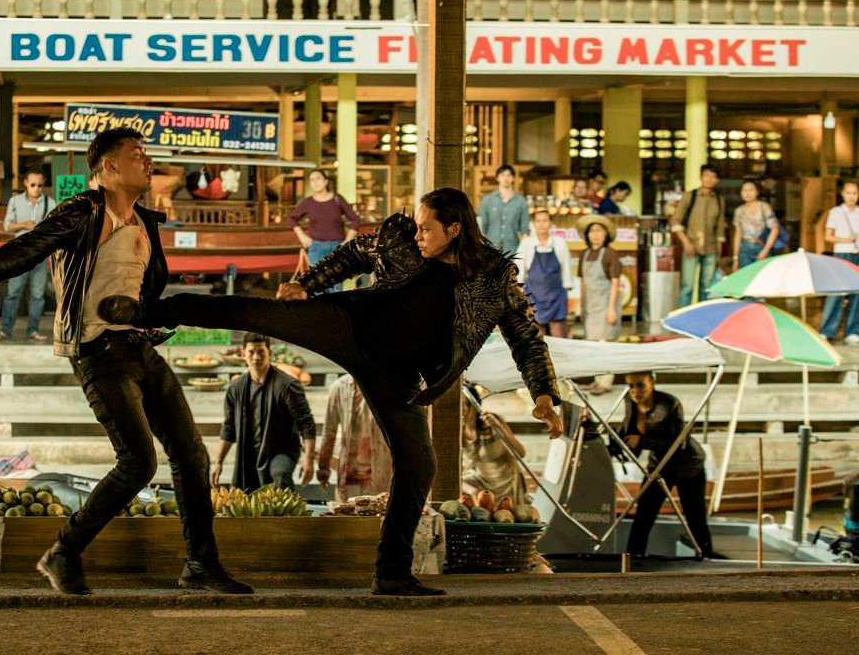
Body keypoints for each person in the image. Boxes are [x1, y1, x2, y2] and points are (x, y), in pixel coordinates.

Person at [98, 187, 564, 596]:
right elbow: (353, 255)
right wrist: (306, 283)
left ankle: (393, 575)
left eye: (427, 229)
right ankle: (146, 313)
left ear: (455, 229)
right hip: (350, 326)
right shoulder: (400, 237)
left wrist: (543, 394)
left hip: (398, 378)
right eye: (417, 226)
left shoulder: (494, 279)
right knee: (256, 314)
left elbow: (525, 336)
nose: (418, 234)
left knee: (420, 466)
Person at [0, 127, 251, 596]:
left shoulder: (144, 220)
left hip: (138, 346)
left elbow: (143, 290)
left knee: (191, 453)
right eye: (137, 155)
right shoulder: (84, 211)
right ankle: (63, 553)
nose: (147, 162)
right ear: (108, 167)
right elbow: (31, 247)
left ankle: (201, 565)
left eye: (147, 154)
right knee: (138, 462)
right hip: (98, 352)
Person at [620, 371, 713, 558]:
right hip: (659, 465)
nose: (635, 391)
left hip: (687, 465)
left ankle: (706, 557)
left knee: (694, 517)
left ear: (652, 383)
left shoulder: (669, 404)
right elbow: (627, 436)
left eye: (640, 385)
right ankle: (631, 558)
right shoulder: (630, 402)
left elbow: (679, 443)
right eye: (630, 386)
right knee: (644, 514)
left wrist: (642, 442)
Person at [214, 333, 316, 492]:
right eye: (251, 352)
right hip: (248, 451)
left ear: (270, 353)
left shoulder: (287, 385)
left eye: (261, 351)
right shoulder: (236, 388)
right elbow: (228, 427)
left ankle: (288, 516)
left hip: (282, 450)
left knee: (280, 474)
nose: (256, 357)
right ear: (243, 354)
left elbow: (306, 423)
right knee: (245, 496)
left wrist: (308, 460)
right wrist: (218, 462)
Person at [0, 169, 55, 343]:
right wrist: (24, 224)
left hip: (40, 255)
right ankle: (5, 330)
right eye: (33, 184)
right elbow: (7, 226)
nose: (36, 188)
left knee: (37, 295)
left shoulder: (50, 203)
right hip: (19, 254)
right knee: (13, 293)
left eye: (40, 185)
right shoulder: (15, 201)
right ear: (25, 183)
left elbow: (55, 229)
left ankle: (33, 330)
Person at [317, 373, 392, 502]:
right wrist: (323, 467)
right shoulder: (339, 387)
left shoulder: (386, 386)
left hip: (381, 470)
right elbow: (329, 431)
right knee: (349, 514)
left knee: (379, 514)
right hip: (350, 473)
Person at [289, 168, 362, 293]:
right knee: (317, 287)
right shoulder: (308, 202)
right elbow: (292, 218)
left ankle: (335, 312)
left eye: (318, 178)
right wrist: (302, 236)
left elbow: (355, 219)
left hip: (337, 249)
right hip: (316, 248)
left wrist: (347, 241)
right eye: (312, 180)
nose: (315, 182)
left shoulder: (337, 199)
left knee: (336, 288)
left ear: (326, 181)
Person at [577, 215, 623, 395]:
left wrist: (611, 309)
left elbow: (615, 282)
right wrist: (581, 306)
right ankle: (597, 380)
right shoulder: (584, 254)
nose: (595, 235)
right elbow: (582, 282)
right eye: (592, 231)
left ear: (606, 235)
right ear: (587, 235)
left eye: (599, 231)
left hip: (606, 304)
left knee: (606, 345)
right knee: (592, 346)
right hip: (590, 306)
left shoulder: (611, 253)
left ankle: (605, 382)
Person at [671, 164, 726, 307]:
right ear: (701, 177)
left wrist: (719, 253)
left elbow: (720, 228)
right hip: (691, 246)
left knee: (707, 287)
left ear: (717, 180)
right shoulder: (690, 196)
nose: (709, 179)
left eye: (713, 177)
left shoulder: (719, 200)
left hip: (711, 249)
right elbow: (675, 221)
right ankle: (682, 319)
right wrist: (686, 243)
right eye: (706, 175)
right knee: (687, 286)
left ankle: (702, 319)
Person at [515, 209, 572, 338]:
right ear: (534, 224)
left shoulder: (560, 243)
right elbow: (518, 268)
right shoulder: (526, 243)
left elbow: (566, 268)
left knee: (559, 335)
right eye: (538, 221)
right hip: (533, 295)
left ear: (551, 223)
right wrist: (519, 288)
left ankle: (560, 358)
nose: (541, 224)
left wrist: (567, 288)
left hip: (556, 295)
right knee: (537, 337)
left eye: (545, 221)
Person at [461, 400, 529, 505]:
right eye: (458, 402)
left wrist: (499, 427)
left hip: (506, 483)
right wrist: (472, 491)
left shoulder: (491, 421)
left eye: (466, 403)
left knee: (504, 515)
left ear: (474, 406)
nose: (462, 407)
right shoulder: (459, 429)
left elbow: (521, 453)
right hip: (481, 480)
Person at [820, 180, 859, 345]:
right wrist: (846, 239)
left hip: (857, 253)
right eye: (848, 193)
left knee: (856, 294)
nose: (851, 196)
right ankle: (827, 329)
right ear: (842, 194)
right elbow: (828, 236)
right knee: (836, 292)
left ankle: (853, 331)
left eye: (854, 193)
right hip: (841, 253)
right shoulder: (835, 212)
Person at [478, 164, 531, 255]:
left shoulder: (521, 201)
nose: (506, 178)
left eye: (509, 175)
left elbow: (524, 230)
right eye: (503, 175)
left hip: (513, 249)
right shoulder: (487, 200)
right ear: (497, 178)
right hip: (491, 249)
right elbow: (481, 227)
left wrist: (523, 251)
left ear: (513, 178)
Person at [731, 179, 780, 271]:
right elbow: (738, 235)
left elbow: (775, 229)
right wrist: (735, 258)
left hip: (761, 245)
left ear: (757, 192)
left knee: (762, 279)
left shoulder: (764, 207)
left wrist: (766, 250)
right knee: (746, 278)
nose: (747, 193)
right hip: (745, 249)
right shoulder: (739, 211)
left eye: (751, 190)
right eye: (744, 190)